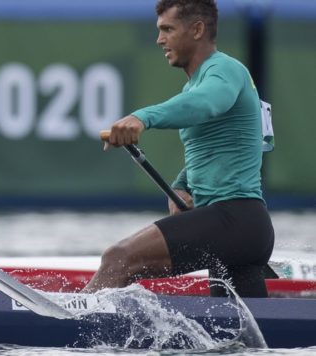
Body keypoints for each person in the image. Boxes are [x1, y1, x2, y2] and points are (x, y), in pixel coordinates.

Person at [83, 0, 274, 297]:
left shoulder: (225, 70)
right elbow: (230, 146)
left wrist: (142, 117)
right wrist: (183, 185)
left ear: (197, 29)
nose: (160, 39)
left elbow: (207, 103)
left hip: (234, 219)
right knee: (240, 337)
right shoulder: (197, 85)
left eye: (167, 29)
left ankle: (66, 325)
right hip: (243, 228)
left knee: (118, 258)